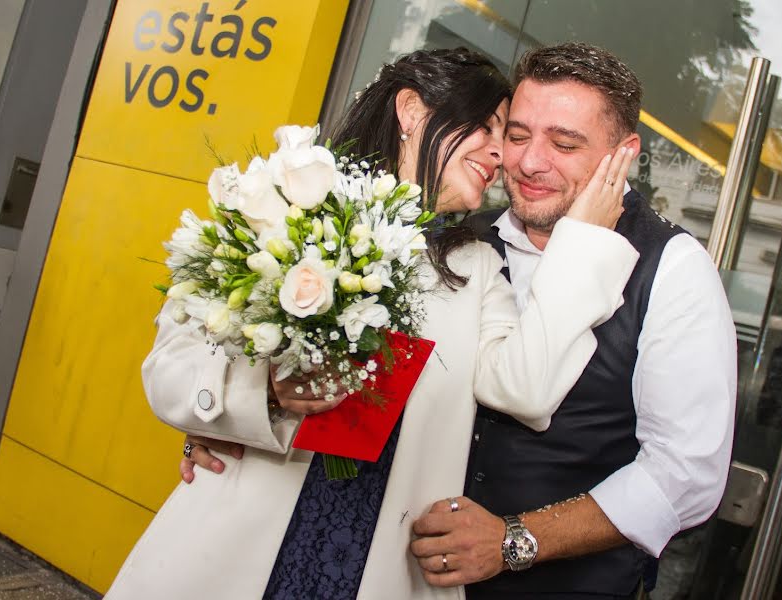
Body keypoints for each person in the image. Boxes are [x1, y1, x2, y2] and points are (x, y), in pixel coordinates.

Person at [106, 48, 637, 600]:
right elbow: (171, 368)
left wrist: (583, 245)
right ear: (411, 110)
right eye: (485, 127)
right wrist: (263, 393)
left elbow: (524, 388)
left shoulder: (474, 267)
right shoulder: (284, 207)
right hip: (235, 550)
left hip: (378, 565)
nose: (502, 154)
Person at [409, 43, 737, 599]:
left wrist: (514, 539)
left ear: (623, 153)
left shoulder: (674, 268)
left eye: (564, 144)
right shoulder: (462, 239)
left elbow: (684, 476)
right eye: (516, 136)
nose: (530, 162)